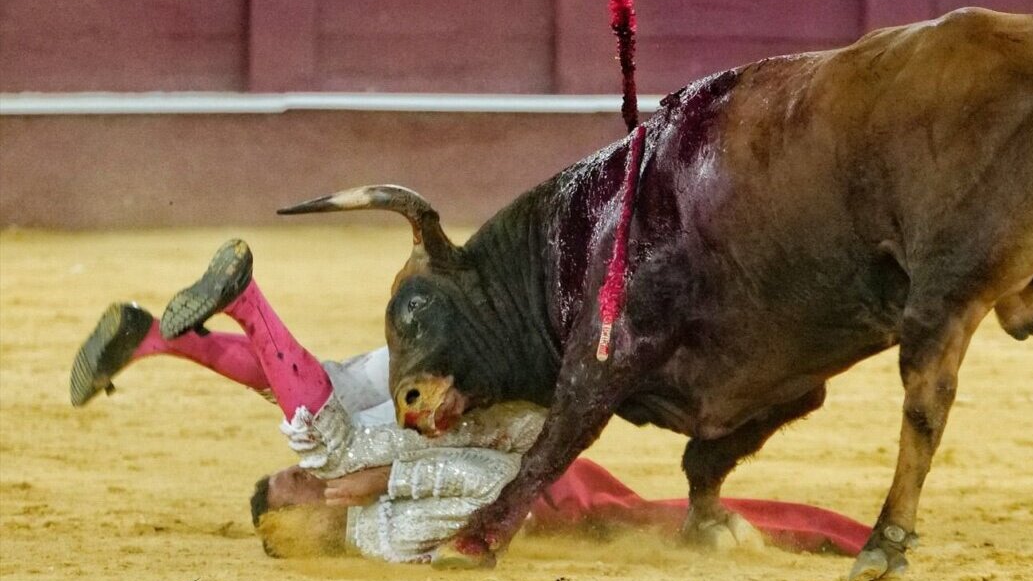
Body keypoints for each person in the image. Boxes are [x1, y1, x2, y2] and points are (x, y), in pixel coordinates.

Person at [72, 239, 872, 564]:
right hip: (514, 446)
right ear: (307, 533)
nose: (306, 483)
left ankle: (161, 338)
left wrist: (376, 469)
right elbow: (492, 485)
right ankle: (224, 313)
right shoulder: (389, 536)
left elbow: (327, 408)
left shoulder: (357, 496)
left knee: (325, 402)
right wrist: (386, 479)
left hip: (445, 411)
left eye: (290, 477)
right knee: (337, 441)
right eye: (300, 495)